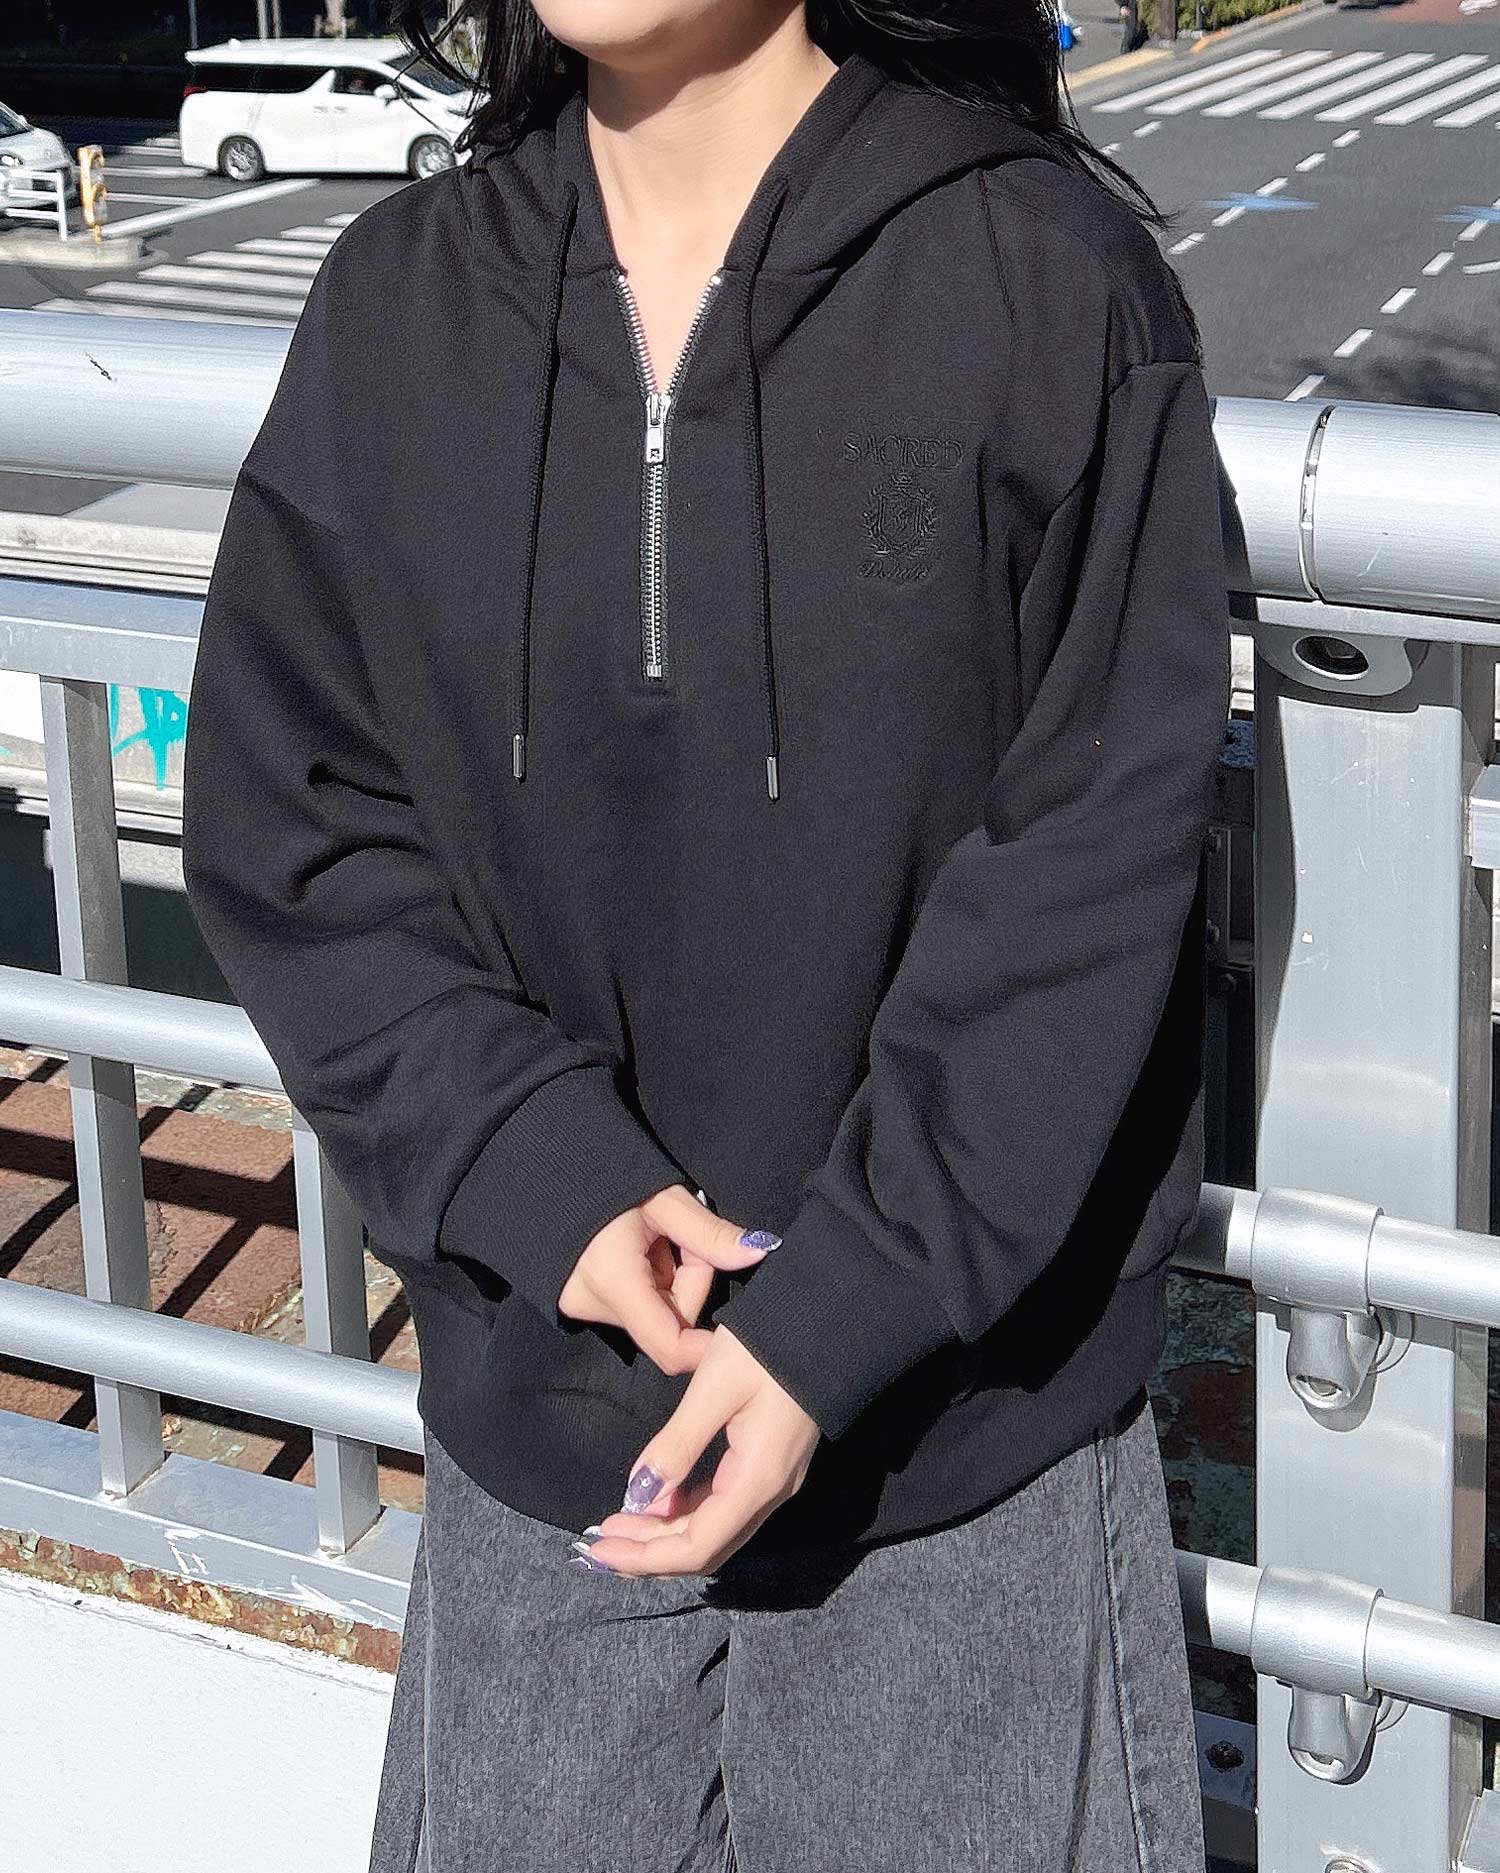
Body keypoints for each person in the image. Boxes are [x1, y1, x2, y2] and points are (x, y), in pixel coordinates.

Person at [179, 0, 1231, 1865]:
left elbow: (1093, 865)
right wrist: (534, 1168)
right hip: (549, 1451)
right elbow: (301, 823)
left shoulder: (1047, 285)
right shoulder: (400, 305)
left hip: (959, 1468)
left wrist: (846, 1306)